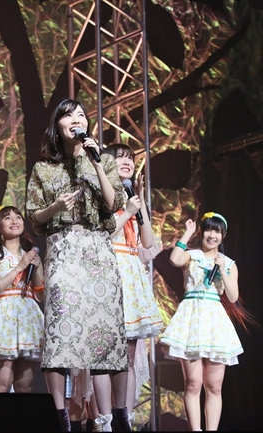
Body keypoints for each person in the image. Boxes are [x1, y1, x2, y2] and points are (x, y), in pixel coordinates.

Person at [26, 99, 130, 432]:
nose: (76, 119)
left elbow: (113, 203)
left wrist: (95, 161)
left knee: (108, 333)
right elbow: (34, 219)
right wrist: (55, 207)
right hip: (63, 250)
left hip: (98, 250)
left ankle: (120, 417)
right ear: (57, 126)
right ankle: (59, 417)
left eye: (81, 115)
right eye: (68, 115)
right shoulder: (44, 168)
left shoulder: (105, 160)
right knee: (60, 331)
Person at [93, 143, 163, 430]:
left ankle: (126, 418)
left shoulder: (132, 197)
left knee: (129, 357)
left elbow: (147, 242)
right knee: (102, 355)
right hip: (108, 270)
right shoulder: (99, 194)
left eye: (130, 158)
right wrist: (127, 210)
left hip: (131, 273)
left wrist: (140, 203)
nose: (127, 161)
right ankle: (104, 420)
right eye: (120, 157)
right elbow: (102, 236)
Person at [160, 212, 243, 431]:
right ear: (202, 232)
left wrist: (222, 269)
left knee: (214, 386)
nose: (212, 235)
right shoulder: (193, 255)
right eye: (209, 230)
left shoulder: (229, 264)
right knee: (193, 383)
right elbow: (174, 259)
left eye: (217, 231)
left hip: (215, 322)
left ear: (223, 235)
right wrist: (187, 233)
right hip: (191, 320)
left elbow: (233, 296)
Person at [0, 205, 45, 393]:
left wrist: (36, 269)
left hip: (27, 319)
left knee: (25, 384)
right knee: (3, 381)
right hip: (4, 319)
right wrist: (19, 268)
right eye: (7, 218)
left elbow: (40, 295)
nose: (14, 221)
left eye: (18, 217)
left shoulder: (31, 256)